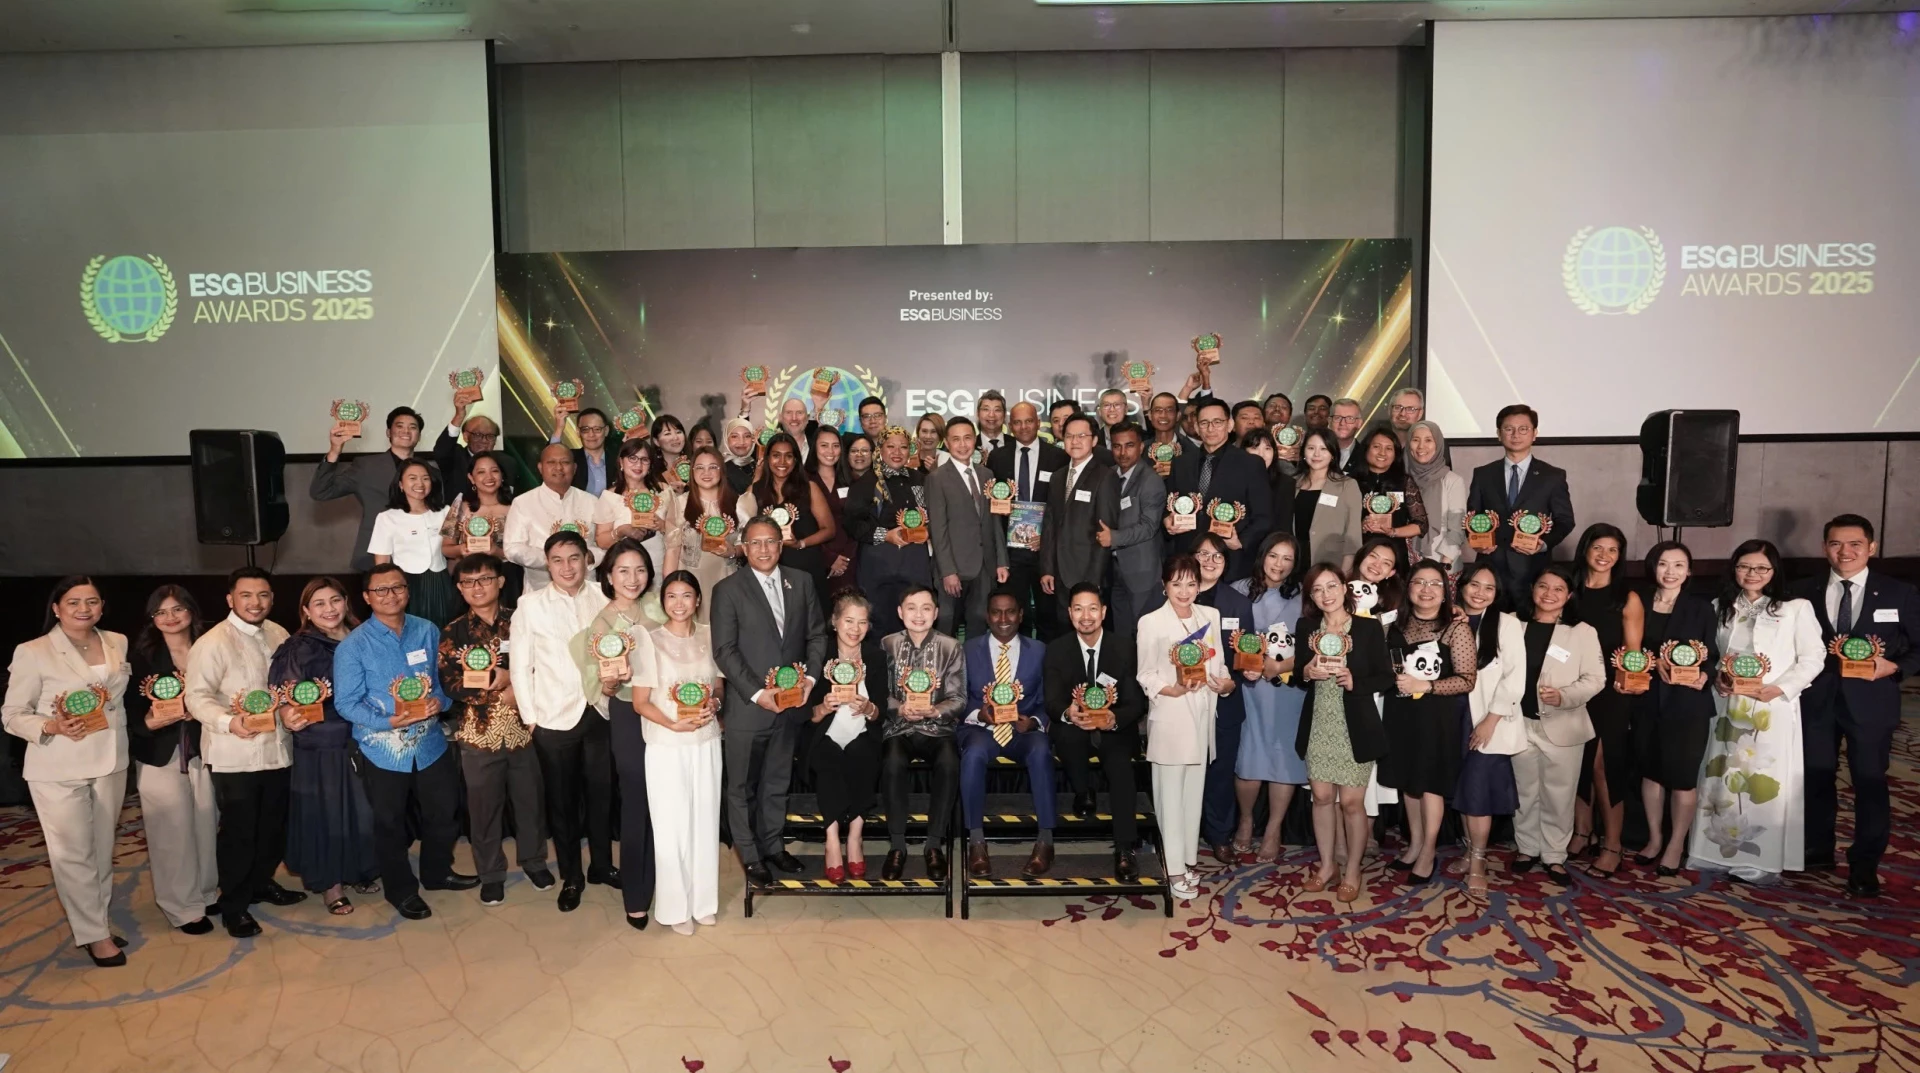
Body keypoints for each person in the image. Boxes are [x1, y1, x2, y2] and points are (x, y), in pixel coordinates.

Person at [1790, 514, 1920, 898]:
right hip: (1816, 700)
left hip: (1872, 703)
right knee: (1815, 777)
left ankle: (1865, 864)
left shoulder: (1900, 593)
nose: (1844, 552)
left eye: (1855, 544)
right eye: (1835, 544)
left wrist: (1894, 667)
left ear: (1872, 547)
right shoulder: (1801, 592)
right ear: (1824, 548)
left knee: (1869, 782)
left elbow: (1918, 647)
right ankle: (1816, 849)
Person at [3, 578, 131, 966]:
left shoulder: (118, 641)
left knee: (102, 849)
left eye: (91, 601)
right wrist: (51, 726)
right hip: (57, 764)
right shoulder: (33, 651)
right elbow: (12, 714)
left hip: (110, 759)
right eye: (73, 602)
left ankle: (97, 921)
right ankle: (94, 935)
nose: (83, 609)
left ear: (102, 606)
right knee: (73, 853)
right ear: (56, 608)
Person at [333, 565, 473, 919]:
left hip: (430, 744)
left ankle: (437, 873)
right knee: (390, 823)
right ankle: (401, 890)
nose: (390, 595)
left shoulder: (427, 630)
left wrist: (440, 701)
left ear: (408, 591)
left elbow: (443, 681)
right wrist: (388, 721)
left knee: (444, 810)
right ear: (366, 598)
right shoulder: (353, 646)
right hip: (382, 750)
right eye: (380, 590)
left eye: (397, 587)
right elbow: (346, 703)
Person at [1686, 539, 1824, 882]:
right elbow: (1713, 654)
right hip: (1728, 703)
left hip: (1771, 707)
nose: (1752, 573)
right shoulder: (1721, 606)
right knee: (1721, 773)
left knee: (1764, 777)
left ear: (1774, 571)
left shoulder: (1795, 608)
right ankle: (1712, 852)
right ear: (1734, 569)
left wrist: (1781, 688)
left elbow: (1813, 657)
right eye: (1745, 566)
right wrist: (1717, 677)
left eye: (1761, 568)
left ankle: (1760, 860)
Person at [185, 567, 301, 939]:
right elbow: (196, 696)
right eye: (246, 595)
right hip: (235, 754)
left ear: (272, 598)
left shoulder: (279, 633)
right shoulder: (212, 642)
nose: (255, 603)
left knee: (273, 828)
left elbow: (287, 685)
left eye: (263, 595)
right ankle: (234, 906)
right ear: (230, 599)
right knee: (239, 833)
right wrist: (228, 722)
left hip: (278, 748)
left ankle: (261, 883)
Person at [711, 518, 828, 885]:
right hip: (749, 707)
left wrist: (810, 680)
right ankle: (749, 855)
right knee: (742, 787)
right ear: (744, 548)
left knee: (777, 781)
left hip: (792, 703)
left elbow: (817, 635)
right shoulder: (727, 589)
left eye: (771, 541)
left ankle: (774, 846)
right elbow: (724, 650)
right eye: (755, 542)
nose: (764, 549)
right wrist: (758, 693)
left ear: (781, 544)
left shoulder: (801, 581)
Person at [509, 531, 618, 911]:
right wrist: (531, 720)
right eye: (557, 560)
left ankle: (601, 865)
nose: (567, 567)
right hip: (553, 719)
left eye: (574, 558)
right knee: (563, 804)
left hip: (600, 711)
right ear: (547, 564)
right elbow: (520, 667)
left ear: (587, 559)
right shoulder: (530, 605)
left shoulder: (605, 598)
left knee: (602, 797)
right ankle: (572, 876)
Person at [438, 553, 554, 908]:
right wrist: (498, 689)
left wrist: (517, 685)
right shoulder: (453, 632)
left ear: (500, 582)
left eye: (485, 579)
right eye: (469, 582)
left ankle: (534, 862)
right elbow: (449, 682)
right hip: (478, 733)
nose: (478, 587)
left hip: (524, 730)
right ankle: (490, 874)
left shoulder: (522, 620)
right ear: (460, 588)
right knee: (484, 810)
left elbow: (544, 665)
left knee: (530, 803)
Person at [272, 578, 380, 916]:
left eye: (335, 600)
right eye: (319, 603)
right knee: (328, 814)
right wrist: (287, 714)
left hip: (368, 735)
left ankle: (360, 869)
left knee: (364, 810)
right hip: (322, 741)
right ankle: (332, 884)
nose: (329, 609)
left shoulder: (366, 636)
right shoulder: (299, 647)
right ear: (306, 610)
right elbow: (286, 693)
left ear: (346, 602)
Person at [629, 571, 725, 934]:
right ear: (662, 601)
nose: (679, 603)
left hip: (706, 741)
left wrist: (714, 704)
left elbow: (718, 687)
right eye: (671, 596)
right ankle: (675, 909)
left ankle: (703, 902)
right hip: (666, 745)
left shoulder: (711, 635)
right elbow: (640, 702)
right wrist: (672, 724)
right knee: (671, 828)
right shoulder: (648, 639)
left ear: (698, 600)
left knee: (705, 821)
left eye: (686, 595)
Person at [1135, 554, 1234, 903]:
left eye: (1191, 583)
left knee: (1192, 798)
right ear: (1164, 585)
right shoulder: (1151, 622)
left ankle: (1187, 860)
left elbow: (1221, 667)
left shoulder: (1211, 616)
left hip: (1203, 718)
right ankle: (1172, 868)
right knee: (1170, 799)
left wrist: (1227, 685)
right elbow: (1145, 673)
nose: (1184, 591)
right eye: (1177, 583)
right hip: (1171, 718)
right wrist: (1171, 689)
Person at [1293, 564, 1391, 903]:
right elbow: (1298, 674)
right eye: (1318, 589)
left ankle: (1352, 871)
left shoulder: (1367, 628)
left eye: (1331, 585)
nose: (1326, 594)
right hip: (1320, 721)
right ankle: (1326, 866)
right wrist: (1307, 672)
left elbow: (1385, 677)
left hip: (1356, 726)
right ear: (1311, 596)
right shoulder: (1307, 626)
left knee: (1351, 803)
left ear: (1344, 587)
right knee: (1321, 798)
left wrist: (1355, 682)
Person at [125, 585, 218, 936]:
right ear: (152, 619)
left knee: (207, 823)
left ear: (191, 610)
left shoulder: (210, 647)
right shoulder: (141, 657)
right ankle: (182, 908)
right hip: (160, 753)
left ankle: (206, 892)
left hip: (206, 749)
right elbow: (131, 711)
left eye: (177, 609)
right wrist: (152, 722)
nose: (170, 618)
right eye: (161, 612)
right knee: (171, 831)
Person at [1379, 560, 1477, 885]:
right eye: (1419, 582)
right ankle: (1415, 843)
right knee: (1409, 782)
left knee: (1430, 784)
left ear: (1446, 591)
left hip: (1437, 718)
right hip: (1400, 714)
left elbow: (1467, 679)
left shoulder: (1455, 627)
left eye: (1435, 583)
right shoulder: (1395, 623)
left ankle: (1428, 851)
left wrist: (1427, 685)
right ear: (1408, 588)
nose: (1426, 589)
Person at [1625, 541, 1720, 876]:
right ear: (1653, 567)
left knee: (1682, 777)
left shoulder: (1701, 608)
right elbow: (1629, 648)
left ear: (1689, 571)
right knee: (1650, 771)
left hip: (1688, 704)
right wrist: (1651, 664)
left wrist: (1705, 675)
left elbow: (1713, 654)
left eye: (1679, 565)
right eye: (1664, 564)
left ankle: (1676, 843)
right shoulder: (1638, 601)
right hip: (1647, 699)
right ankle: (1654, 838)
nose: (1670, 572)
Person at [1045, 584, 1147, 879]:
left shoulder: (1125, 647)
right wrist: (1069, 713)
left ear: (1103, 612)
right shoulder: (1057, 649)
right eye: (1078, 609)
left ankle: (1125, 849)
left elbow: (1136, 703)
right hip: (1075, 728)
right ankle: (1083, 791)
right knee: (1066, 736)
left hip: (1114, 728)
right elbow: (1052, 701)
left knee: (1120, 767)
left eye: (1092, 608)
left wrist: (1113, 719)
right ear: (1070, 613)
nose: (1086, 616)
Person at [1510, 566, 1604, 885]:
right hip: (1519, 722)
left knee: (1559, 795)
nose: (1549, 594)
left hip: (1564, 724)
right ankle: (1527, 848)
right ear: (1532, 589)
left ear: (1569, 595)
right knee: (1524, 791)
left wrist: (1564, 696)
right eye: (1543, 586)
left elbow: (1596, 679)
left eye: (1558, 589)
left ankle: (1553, 855)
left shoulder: (1581, 632)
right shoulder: (1512, 623)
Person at [954, 592, 1055, 877]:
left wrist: (1034, 721)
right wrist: (978, 714)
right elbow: (957, 696)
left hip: (1023, 731)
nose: (1003, 619)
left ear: (1021, 615)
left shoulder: (1040, 650)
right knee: (973, 754)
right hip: (981, 729)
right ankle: (976, 842)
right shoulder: (967, 649)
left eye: (1010, 611)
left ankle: (1046, 841)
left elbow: (1050, 698)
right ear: (987, 616)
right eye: (996, 612)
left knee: (1041, 750)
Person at [1565, 524, 1643, 878]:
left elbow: (1633, 653)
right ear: (1585, 549)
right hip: (1571, 688)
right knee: (1577, 762)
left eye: (1613, 550)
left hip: (1611, 692)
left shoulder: (1627, 597)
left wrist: (1630, 681)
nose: (1604, 555)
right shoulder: (1570, 590)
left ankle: (1613, 843)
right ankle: (1583, 832)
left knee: (1603, 766)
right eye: (1598, 547)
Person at [592, 538, 662, 928]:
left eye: (640, 570)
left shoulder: (659, 607)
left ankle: (666, 882)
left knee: (664, 799)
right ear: (608, 576)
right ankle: (635, 894)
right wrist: (608, 682)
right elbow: (600, 686)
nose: (632, 579)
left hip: (664, 709)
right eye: (623, 571)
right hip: (628, 715)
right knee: (636, 800)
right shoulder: (602, 623)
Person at [877, 586, 966, 881]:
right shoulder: (887, 644)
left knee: (950, 763)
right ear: (900, 612)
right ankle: (897, 846)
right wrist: (899, 708)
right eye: (911, 607)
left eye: (926, 608)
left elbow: (959, 698)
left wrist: (934, 710)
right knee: (892, 763)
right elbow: (877, 691)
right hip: (898, 727)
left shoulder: (951, 647)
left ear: (936, 613)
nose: (919, 614)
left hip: (937, 728)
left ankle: (934, 845)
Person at [1230, 534, 1304, 865]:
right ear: (1262, 556)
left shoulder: (1303, 595)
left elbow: (1313, 642)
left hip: (1287, 689)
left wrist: (1280, 666)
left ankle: (1274, 830)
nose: (1279, 564)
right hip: (1249, 688)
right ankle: (1246, 820)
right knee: (1249, 756)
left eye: (1287, 558)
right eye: (1274, 556)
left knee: (1283, 758)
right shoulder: (1237, 590)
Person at [1454, 563, 1525, 899]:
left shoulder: (1507, 624)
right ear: (1461, 586)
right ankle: (1469, 851)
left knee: (1478, 793)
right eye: (1474, 585)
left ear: (1497, 594)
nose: (1480, 593)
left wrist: (1490, 720)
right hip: (1452, 716)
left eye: (1489, 588)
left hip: (1487, 720)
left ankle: (1479, 862)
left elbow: (1515, 678)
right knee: (1463, 791)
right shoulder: (1450, 618)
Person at [805, 591, 887, 882]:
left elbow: (881, 713)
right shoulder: (819, 655)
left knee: (862, 754)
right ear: (835, 621)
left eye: (862, 622)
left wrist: (869, 707)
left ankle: (854, 836)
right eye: (849, 621)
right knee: (828, 757)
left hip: (863, 733)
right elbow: (806, 714)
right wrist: (822, 707)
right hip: (824, 734)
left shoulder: (876, 657)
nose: (855, 629)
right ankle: (831, 840)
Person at [1464, 405, 1575, 610]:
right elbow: (1472, 517)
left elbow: (1565, 520)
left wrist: (1543, 544)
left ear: (1534, 433)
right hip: (1491, 570)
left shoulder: (1552, 476)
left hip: (1533, 570)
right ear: (1499, 434)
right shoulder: (1483, 474)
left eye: (1523, 429)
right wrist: (1475, 541)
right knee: (1490, 624)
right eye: (1509, 429)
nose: (1516, 435)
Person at [312, 405, 433, 574]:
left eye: (412, 427)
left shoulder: (430, 471)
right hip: (375, 556)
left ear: (419, 436)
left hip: (421, 556)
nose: (406, 431)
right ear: (388, 432)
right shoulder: (366, 466)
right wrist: (334, 451)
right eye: (399, 426)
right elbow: (321, 491)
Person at [1189, 533, 1251, 864]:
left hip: (1224, 701)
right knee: (1182, 771)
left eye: (1217, 556)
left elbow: (1247, 655)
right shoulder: (1172, 596)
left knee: (1221, 773)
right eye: (1203, 554)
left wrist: (1233, 682)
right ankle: (1180, 833)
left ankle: (1219, 835)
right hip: (1182, 700)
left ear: (1226, 563)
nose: (1209, 561)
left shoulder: (1238, 604)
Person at [1165, 397, 1273, 580]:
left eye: (1217, 422)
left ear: (1229, 425)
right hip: (1187, 558)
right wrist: (1167, 521)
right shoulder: (1181, 463)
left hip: (1230, 559)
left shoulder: (1251, 464)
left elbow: (1264, 516)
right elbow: (1169, 504)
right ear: (1197, 427)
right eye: (1204, 423)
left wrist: (1241, 541)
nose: (1210, 428)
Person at [988, 402, 1067, 637]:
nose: (1023, 427)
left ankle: (1047, 659)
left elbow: (1062, 506)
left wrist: (1047, 538)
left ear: (1038, 423)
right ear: (1010, 426)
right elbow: (992, 500)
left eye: (1029, 421)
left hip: (1045, 550)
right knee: (1015, 614)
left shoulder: (1058, 457)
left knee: (1048, 615)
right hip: (1011, 551)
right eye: (1017, 422)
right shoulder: (998, 457)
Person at [847, 427, 935, 640]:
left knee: (917, 619)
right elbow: (852, 523)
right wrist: (885, 535)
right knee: (880, 622)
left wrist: (928, 529)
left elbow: (935, 513)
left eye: (903, 447)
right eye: (891, 446)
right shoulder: (866, 482)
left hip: (914, 562)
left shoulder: (920, 479)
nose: (897, 452)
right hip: (879, 563)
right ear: (880, 449)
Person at [925, 415, 1008, 639]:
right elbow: (938, 529)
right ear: (947, 443)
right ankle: (944, 664)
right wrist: (948, 571)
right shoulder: (937, 478)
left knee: (979, 624)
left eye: (967, 438)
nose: (962, 445)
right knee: (947, 623)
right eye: (956, 439)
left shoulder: (987, 474)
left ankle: (974, 664)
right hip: (953, 568)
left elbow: (994, 521)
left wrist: (1001, 561)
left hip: (985, 567)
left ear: (975, 441)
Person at [1040, 414, 1120, 632]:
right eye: (1069, 436)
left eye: (1081, 436)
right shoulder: (1057, 477)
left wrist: (1093, 581)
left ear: (1094, 440)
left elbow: (1105, 532)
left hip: (1088, 573)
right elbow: (1049, 525)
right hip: (1059, 573)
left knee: (1090, 632)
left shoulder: (1105, 476)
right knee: (1064, 632)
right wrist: (1047, 568)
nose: (1074, 441)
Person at [662, 446, 756, 620]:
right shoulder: (680, 503)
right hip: (690, 583)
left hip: (727, 579)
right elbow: (672, 551)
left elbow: (748, 545)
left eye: (713, 467)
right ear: (692, 471)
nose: (706, 473)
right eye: (700, 467)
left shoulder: (739, 503)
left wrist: (732, 551)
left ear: (722, 470)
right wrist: (669, 590)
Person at [753, 431, 839, 611]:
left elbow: (829, 529)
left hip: (805, 567)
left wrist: (800, 543)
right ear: (767, 459)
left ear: (796, 460)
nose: (782, 462)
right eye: (776, 455)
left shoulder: (809, 488)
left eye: (788, 456)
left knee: (810, 622)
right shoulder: (756, 490)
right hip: (768, 571)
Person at [369, 458, 455, 627]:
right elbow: (382, 564)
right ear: (401, 484)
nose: (420, 483)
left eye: (425, 478)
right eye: (412, 478)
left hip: (440, 581)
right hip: (405, 585)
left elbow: (453, 552)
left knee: (444, 630)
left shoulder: (446, 512)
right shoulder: (387, 518)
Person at [504, 444, 602, 590]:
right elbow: (512, 548)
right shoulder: (523, 502)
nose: (559, 468)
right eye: (551, 462)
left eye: (565, 462)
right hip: (540, 589)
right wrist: (552, 560)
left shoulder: (592, 501)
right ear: (540, 468)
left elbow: (604, 543)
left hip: (586, 587)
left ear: (574, 468)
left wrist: (591, 556)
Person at [1106, 422, 1167, 628]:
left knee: (1145, 632)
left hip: (1141, 572)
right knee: (1121, 632)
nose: (1123, 452)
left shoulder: (1151, 480)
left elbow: (1149, 526)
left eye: (1129, 445)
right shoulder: (1108, 475)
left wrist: (1114, 538)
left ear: (1141, 447)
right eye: (1117, 446)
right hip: (1112, 570)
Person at [440, 451, 520, 604]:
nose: (489, 477)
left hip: (507, 579)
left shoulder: (517, 507)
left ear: (502, 475)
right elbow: (445, 548)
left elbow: (524, 551)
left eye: (494, 471)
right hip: (469, 579)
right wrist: (461, 549)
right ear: (471, 478)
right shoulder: (459, 506)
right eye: (481, 472)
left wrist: (497, 552)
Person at [1347, 426, 1428, 567]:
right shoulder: (1350, 482)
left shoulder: (1405, 482)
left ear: (1395, 454)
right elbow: (1338, 523)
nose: (1382, 453)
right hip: (1358, 552)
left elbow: (1421, 525)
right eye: (1376, 447)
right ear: (1366, 449)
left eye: (1389, 448)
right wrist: (1359, 526)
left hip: (1394, 554)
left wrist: (1393, 531)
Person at [596, 435, 669, 578]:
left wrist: (662, 525)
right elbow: (601, 541)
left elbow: (680, 530)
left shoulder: (664, 491)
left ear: (650, 465)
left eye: (644, 459)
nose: (638, 464)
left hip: (660, 566)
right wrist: (621, 531)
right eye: (632, 458)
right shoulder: (610, 496)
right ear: (621, 462)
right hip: (624, 570)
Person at [1294, 429, 1363, 572]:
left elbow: (1353, 534)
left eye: (1323, 449)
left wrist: (1345, 571)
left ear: (1333, 454)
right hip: (1294, 560)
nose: (1316, 454)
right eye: (1311, 448)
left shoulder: (1347, 485)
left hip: (1330, 563)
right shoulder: (1292, 483)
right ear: (1303, 452)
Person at [1406, 421, 1465, 570]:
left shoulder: (1452, 481)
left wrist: (1444, 563)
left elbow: (1457, 528)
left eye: (1428, 440)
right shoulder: (1403, 479)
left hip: (1441, 562)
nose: (1421, 446)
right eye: (1415, 440)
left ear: (1438, 444)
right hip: (1406, 560)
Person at [811, 426, 859, 598]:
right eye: (824, 445)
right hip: (816, 557)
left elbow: (859, 522)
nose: (830, 451)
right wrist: (829, 558)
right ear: (814, 447)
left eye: (835, 446)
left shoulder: (851, 480)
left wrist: (845, 558)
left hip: (849, 560)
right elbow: (803, 525)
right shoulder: (804, 481)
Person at [433, 408, 502, 504]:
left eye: (490, 436)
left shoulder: (507, 462)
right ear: (466, 437)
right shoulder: (455, 456)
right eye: (478, 435)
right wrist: (459, 416)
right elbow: (442, 449)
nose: (484, 440)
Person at [1237, 430, 1298, 531]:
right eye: (1255, 448)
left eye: (1267, 448)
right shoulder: (1233, 481)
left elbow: (1284, 526)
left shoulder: (1285, 483)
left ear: (1274, 453)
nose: (1261, 454)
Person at [551, 406, 613, 497]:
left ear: (606, 431)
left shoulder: (619, 460)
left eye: (597, 429)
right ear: (578, 432)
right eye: (585, 430)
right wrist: (559, 428)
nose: (591, 434)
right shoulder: (570, 458)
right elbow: (550, 458)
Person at [720, 417, 760, 496]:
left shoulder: (757, 462)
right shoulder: (721, 468)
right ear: (726, 439)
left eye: (747, 436)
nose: (741, 442)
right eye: (734, 436)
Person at [653, 414, 690, 491]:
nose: (675, 437)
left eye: (678, 432)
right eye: (667, 434)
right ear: (656, 441)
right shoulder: (651, 471)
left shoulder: (694, 464)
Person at [777, 397, 816, 463]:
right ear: (780, 418)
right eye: (789, 412)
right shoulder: (770, 446)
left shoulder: (818, 447)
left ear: (807, 418)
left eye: (799, 413)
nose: (794, 418)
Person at [1328, 398, 1364, 469]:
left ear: (1359, 423)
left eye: (1350, 418)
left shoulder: (1366, 456)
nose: (1342, 423)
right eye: (1337, 418)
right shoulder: (1314, 451)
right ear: (1329, 421)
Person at [975, 390, 1010, 455]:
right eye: (986, 409)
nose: (991, 415)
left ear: (1004, 415)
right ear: (978, 413)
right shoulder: (969, 446)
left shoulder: (1017, 445)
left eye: (997, 410)